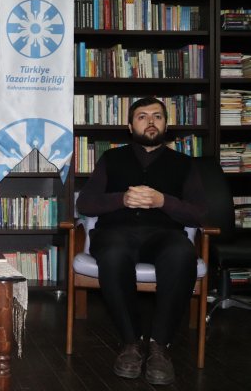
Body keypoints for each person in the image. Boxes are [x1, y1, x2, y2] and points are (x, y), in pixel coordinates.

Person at [76, 96, 207, 385]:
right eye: (142, 116)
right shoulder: (111, 159)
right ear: (130, 126)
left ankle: (160, 346)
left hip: (164, 235)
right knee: (113, 255)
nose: (150, 122)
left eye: (157, 116)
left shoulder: (184, 164)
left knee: (182, 254)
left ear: (166, 125)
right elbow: (85, 203)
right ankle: (131, 343)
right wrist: (121, 199)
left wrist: (163, 201)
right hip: (116, 234)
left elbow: (200, 214)